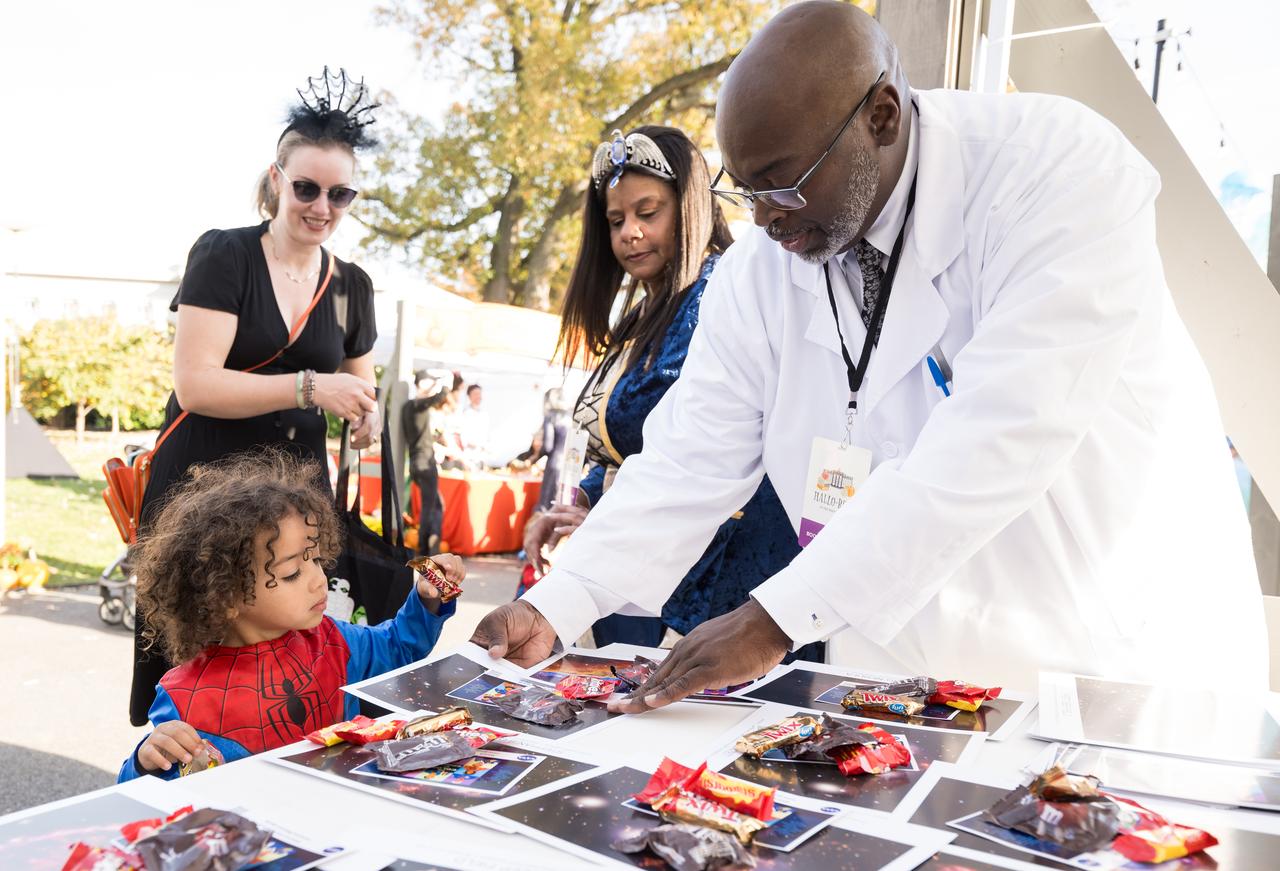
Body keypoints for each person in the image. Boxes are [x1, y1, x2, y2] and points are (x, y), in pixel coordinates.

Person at [473, 2, 1268, 703]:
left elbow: (998, 440)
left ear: (882, 115)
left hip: (1093, 660)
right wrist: (561, 600)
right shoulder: (764, 265)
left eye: (784, 185)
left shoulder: (1054, 173)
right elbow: (691, 454)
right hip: (894, 671)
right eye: (745, 193)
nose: (765, 221)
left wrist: (777, 613)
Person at [129, 67, 384, 727]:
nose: (321, 206)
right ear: (276, 179)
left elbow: (362, 383)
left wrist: (367, 415)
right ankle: (176, 797)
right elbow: (197, 382)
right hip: (207, 496)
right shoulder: (225, 255)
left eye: (340, 193)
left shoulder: (353, 284)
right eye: (306, 187)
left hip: (295, 505)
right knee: (195, 676)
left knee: (291, 671)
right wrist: (309, 386)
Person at [519, 125, 806, 651]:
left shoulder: (723, 292)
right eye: (616, 220)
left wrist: (600, 511)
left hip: (719, 592)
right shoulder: (643, 312)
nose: (630, 232)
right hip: (640, 572)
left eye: (647, 213)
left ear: (690, 206)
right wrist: (580, 501)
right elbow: (623, 445)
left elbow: (704, 453)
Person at [119, 450, 462, 781]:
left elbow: (399, 647)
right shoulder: (183, 696)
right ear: (226, 597)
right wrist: (144, 761)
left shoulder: (333, 640)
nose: (318, 579)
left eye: (314, 559)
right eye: (291, 573)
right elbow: (143, 793)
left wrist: (426, 598)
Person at [403, 369, 451, 555]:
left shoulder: (408, 406)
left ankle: (429, 541)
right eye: (429, 383)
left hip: (416, 462)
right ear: (421, 384)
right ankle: (428, 545)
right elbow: (440, 396)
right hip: (425, 463)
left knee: (433, 504)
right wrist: (447, 384)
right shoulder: (417, 405)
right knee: (431, 506)